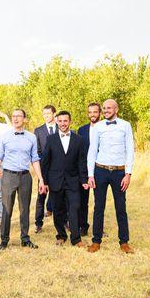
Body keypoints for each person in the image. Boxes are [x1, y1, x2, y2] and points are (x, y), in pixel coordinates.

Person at [87, 99, 135, 254]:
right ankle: (96, 241)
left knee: (121, 207)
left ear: (116, 109)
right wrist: (90, 174)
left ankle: (124, 242)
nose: (106, 110)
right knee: (98, 207)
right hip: (100, 170)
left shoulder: (125, 125)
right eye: (104, 108)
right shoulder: (99, 127)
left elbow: (130, 150)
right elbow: (92, 151)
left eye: (109, 108)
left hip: (119, 172)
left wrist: (128, 174)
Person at [0, 109, 44, 250]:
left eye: (19, 116)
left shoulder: (31, 137)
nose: (16, 119)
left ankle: (25, 238)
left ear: (24, 119)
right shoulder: (4, 136)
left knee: (24, 209)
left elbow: (35, 159)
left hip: (25, 177)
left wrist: (41, 179)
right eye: (13, 116)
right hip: (8, 176)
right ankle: (4, 239)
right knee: (6, 209)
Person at [41, 111, 88, 247]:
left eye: (65, 121)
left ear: (70, 122)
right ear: (57, 122)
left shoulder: (78, 139)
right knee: (58, 210)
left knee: (75, 208)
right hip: (55, 181)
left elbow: (81, 161)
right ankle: (61, 235)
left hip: (73, 181)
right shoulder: (51, 139)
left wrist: (84, 180)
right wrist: (45, 182)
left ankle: (76, 239)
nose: (63, 123)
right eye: (60, 121)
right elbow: (45, 162)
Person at [76, 102, 101, 236]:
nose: (92, 115)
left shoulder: (104, 128)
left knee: (99, 202)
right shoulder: (82, 130)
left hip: (100, 169)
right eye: (90, 112)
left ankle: (98, 229)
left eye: (95, 112)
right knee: (82, 201)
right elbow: (79, 152)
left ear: (100, 113)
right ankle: (83, 226)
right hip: (84, 170)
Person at [33, 105, 57, 233]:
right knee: (41, 196)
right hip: (44, 169)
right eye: (44, 114)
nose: (46, 116)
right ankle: (38, 223)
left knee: (60, 196)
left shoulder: (60, 128)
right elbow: (37, 151)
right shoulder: (38, 130)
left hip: (59, 170)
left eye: (48, 113)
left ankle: (63, 222)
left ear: (54, 114)